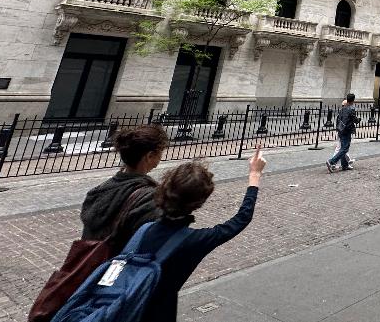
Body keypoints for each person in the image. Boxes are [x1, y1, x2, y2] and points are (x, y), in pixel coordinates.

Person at [134, 147, 266, 322]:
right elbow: (241, 219)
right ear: (200, 201)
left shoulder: (144, 229)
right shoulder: (194, 240)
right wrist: (254, 175)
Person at [80, 125, 168, 248]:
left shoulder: (98, 191)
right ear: (149, 156)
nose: (160, 159)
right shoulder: (149, 198)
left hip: (93, 263)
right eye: (160, 153)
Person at [326, 93, 360, 173]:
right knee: (345, 148)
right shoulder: (351, 109)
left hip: (340, 129)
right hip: (346, 130)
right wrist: (358, 120)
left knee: (343, 147)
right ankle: (331, 161)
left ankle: (344, 165)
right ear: (353, 100)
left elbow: (339, 119)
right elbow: (354, 120)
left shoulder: (343, 108)